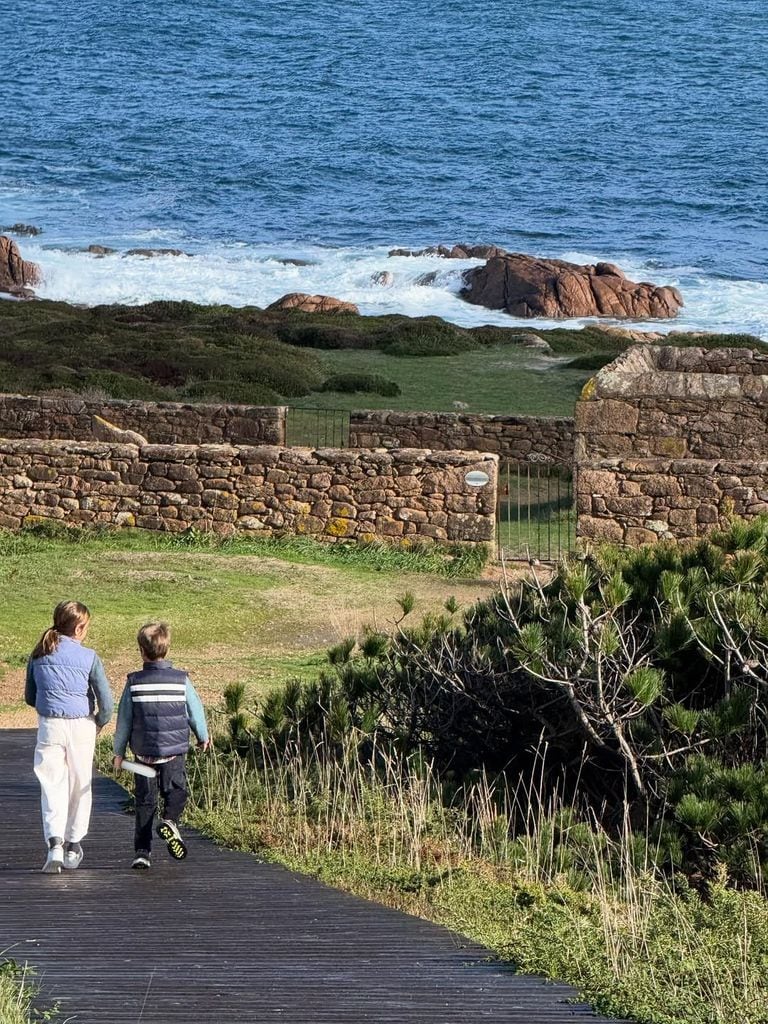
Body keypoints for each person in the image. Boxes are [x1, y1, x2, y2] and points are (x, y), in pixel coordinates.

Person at [112, 621, 210, 870]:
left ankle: (142, 852)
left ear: (141, 651)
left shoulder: (134, 682)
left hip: (143, 754)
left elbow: (124, 719)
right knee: (177, 791)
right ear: (167, 649)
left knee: (145, 802)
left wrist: (118, 752)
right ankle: (170, 821)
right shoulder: (181, 680)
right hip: (173, 751)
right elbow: (195, 711)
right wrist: (203, 736)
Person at [25, 600, 114, 873]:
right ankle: (74, 846)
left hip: (50, 725)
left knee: (52, 784)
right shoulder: (89, 657)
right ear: (79, 628)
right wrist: (100, 722)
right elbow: (107, 702)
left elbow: (30, 697)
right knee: (80, 784)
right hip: (81, 726)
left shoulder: (38, 654)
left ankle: (55, 844)